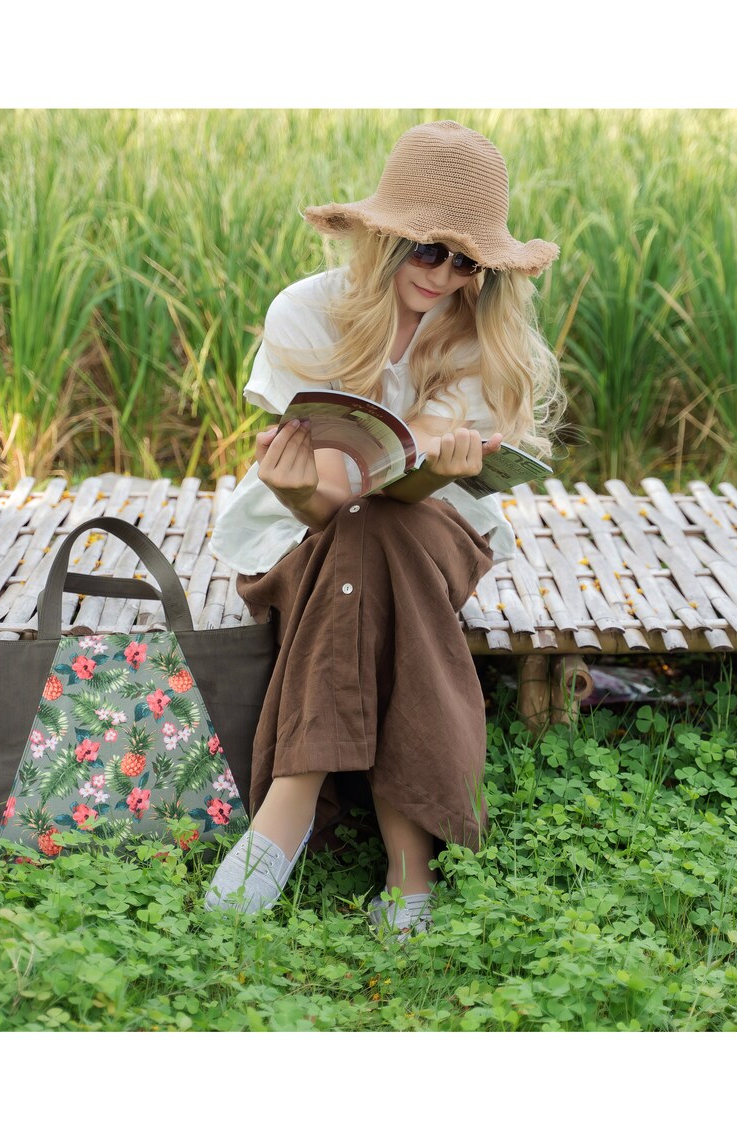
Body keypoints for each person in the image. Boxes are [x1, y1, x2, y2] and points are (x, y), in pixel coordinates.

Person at [204, 120, 563, 939]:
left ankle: (284, 816)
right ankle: (410, 870)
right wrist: (295, 492)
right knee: (363, 528)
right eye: (428, 250)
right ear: (385, 236)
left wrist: (446, 465)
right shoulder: (307, 312)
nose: (446, 275)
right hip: (301, 536)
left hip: (435, 533)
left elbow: (411, 496)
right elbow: (330, 501)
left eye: (468, 261)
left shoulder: (483, 339)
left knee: (387, 526)